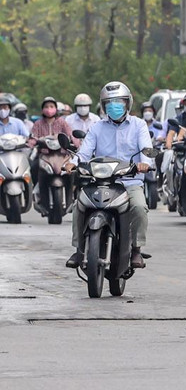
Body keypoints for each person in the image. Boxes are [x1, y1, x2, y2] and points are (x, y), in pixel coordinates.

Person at [66, 82, 152, 270]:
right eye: (109, 102)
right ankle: (79, 248)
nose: (114, 106)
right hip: (100, 182)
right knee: (79, 206)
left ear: (127, 103)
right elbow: (84, 151)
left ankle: (136, 248)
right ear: (103, 106)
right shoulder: (97, 127)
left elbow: (146, 149)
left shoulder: (139, 125)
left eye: (119, 102)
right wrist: (73, 163)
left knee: (139, 207)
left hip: (129, 181)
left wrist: (145, 163)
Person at [28, 97, 74, 217]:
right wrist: (32, 142)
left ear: (56, 109)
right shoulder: (38, 124)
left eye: (51, 106)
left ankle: (73, 196)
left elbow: (70, 135)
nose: (49, 109)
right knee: (33, 167)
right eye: (46, 107)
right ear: (42, 109)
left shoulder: (62, 122)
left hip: (62, 155)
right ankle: (37, 189)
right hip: (44, 155)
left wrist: (75, 142)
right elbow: (32, 138)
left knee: (73, 171)